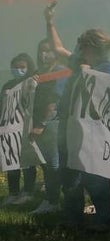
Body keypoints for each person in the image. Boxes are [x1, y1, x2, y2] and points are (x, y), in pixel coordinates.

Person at [45, 5, 110, 231]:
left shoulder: (106, 67)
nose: (77, 48)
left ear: (92, 47)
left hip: (93, 133)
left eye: (81, 45)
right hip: (69, 128)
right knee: (69, 174)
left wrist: (88, 74)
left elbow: (103, 96)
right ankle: (72, 218)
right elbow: (58, 49)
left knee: (94, 176)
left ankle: (104, 219)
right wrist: (49, 21)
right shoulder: (80, 63)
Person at [28, 38, 68, 215]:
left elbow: (53, 101)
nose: (44, 54)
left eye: (48, 50)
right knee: (46, 163)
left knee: (52, 163)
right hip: (41, 122)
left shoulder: (60, 72)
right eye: (41, 50)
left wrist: (42, 124)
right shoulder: (40, 72)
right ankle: (53, 197)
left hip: (52, 124)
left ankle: (52, 201)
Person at [2, 53, 37, 206]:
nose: (18, 70)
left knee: (28, 161)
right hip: (10, 129)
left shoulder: (33, 82)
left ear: (28, 68)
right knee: (11, 161)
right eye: (15, 67)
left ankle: (28, 192)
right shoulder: (8, 85)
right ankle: (13, 192)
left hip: (26, 127)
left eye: (22, 67)